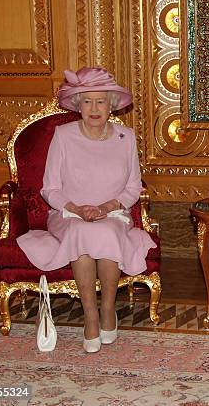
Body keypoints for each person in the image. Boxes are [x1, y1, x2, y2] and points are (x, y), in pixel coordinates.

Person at [17, 67, 157, 353]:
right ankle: (90, 316)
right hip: (68, 214)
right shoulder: (63, 135)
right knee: (83, 231)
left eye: (101, 101)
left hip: (113, 213)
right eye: (87, 101)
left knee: (105, 231)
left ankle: (108, 310)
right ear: (78, 105)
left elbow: (133, 186)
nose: (94, 108)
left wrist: (108, 207)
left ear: (112, 105)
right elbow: (50, 188)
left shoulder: (126, 137)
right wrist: (76, 209)